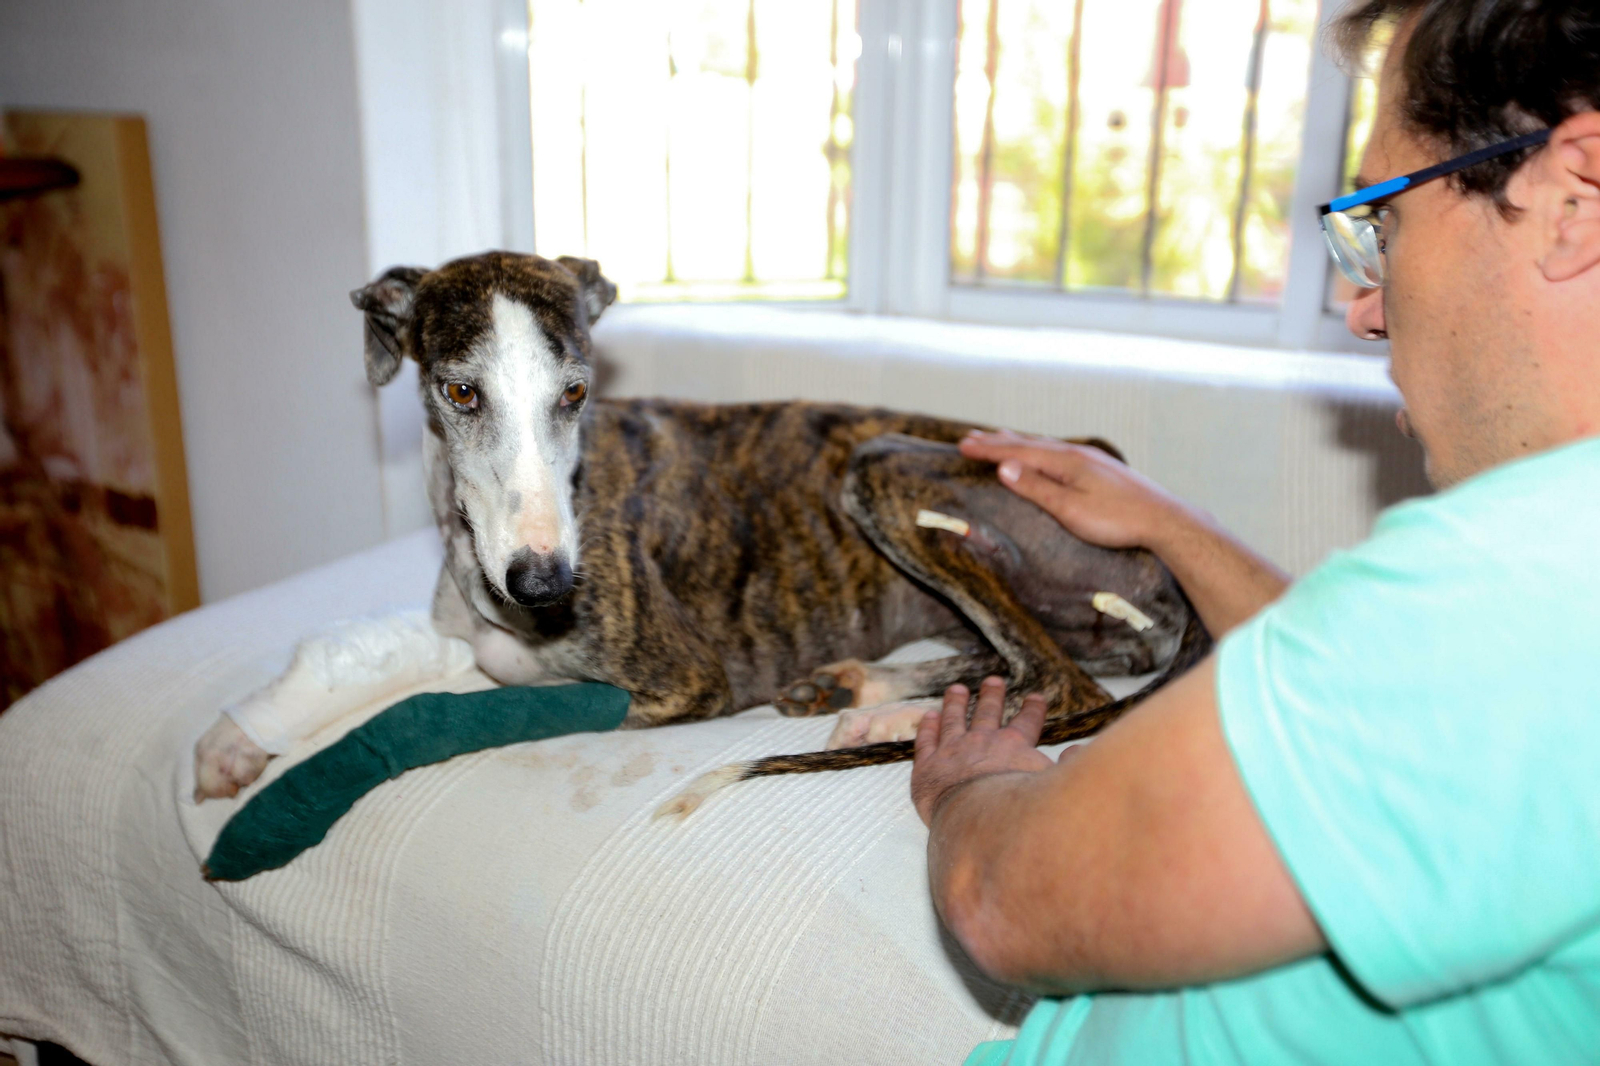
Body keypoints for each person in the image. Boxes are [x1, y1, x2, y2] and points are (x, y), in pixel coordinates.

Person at [910, 1, 1600, 1062]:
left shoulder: (1524, 590)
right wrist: (1170, 524)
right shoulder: (1505, 628)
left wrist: (971, 785)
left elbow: (997, 899)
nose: (1364, 307)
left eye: (1385, 220)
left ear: (1569, 199)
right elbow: (1394, 725)